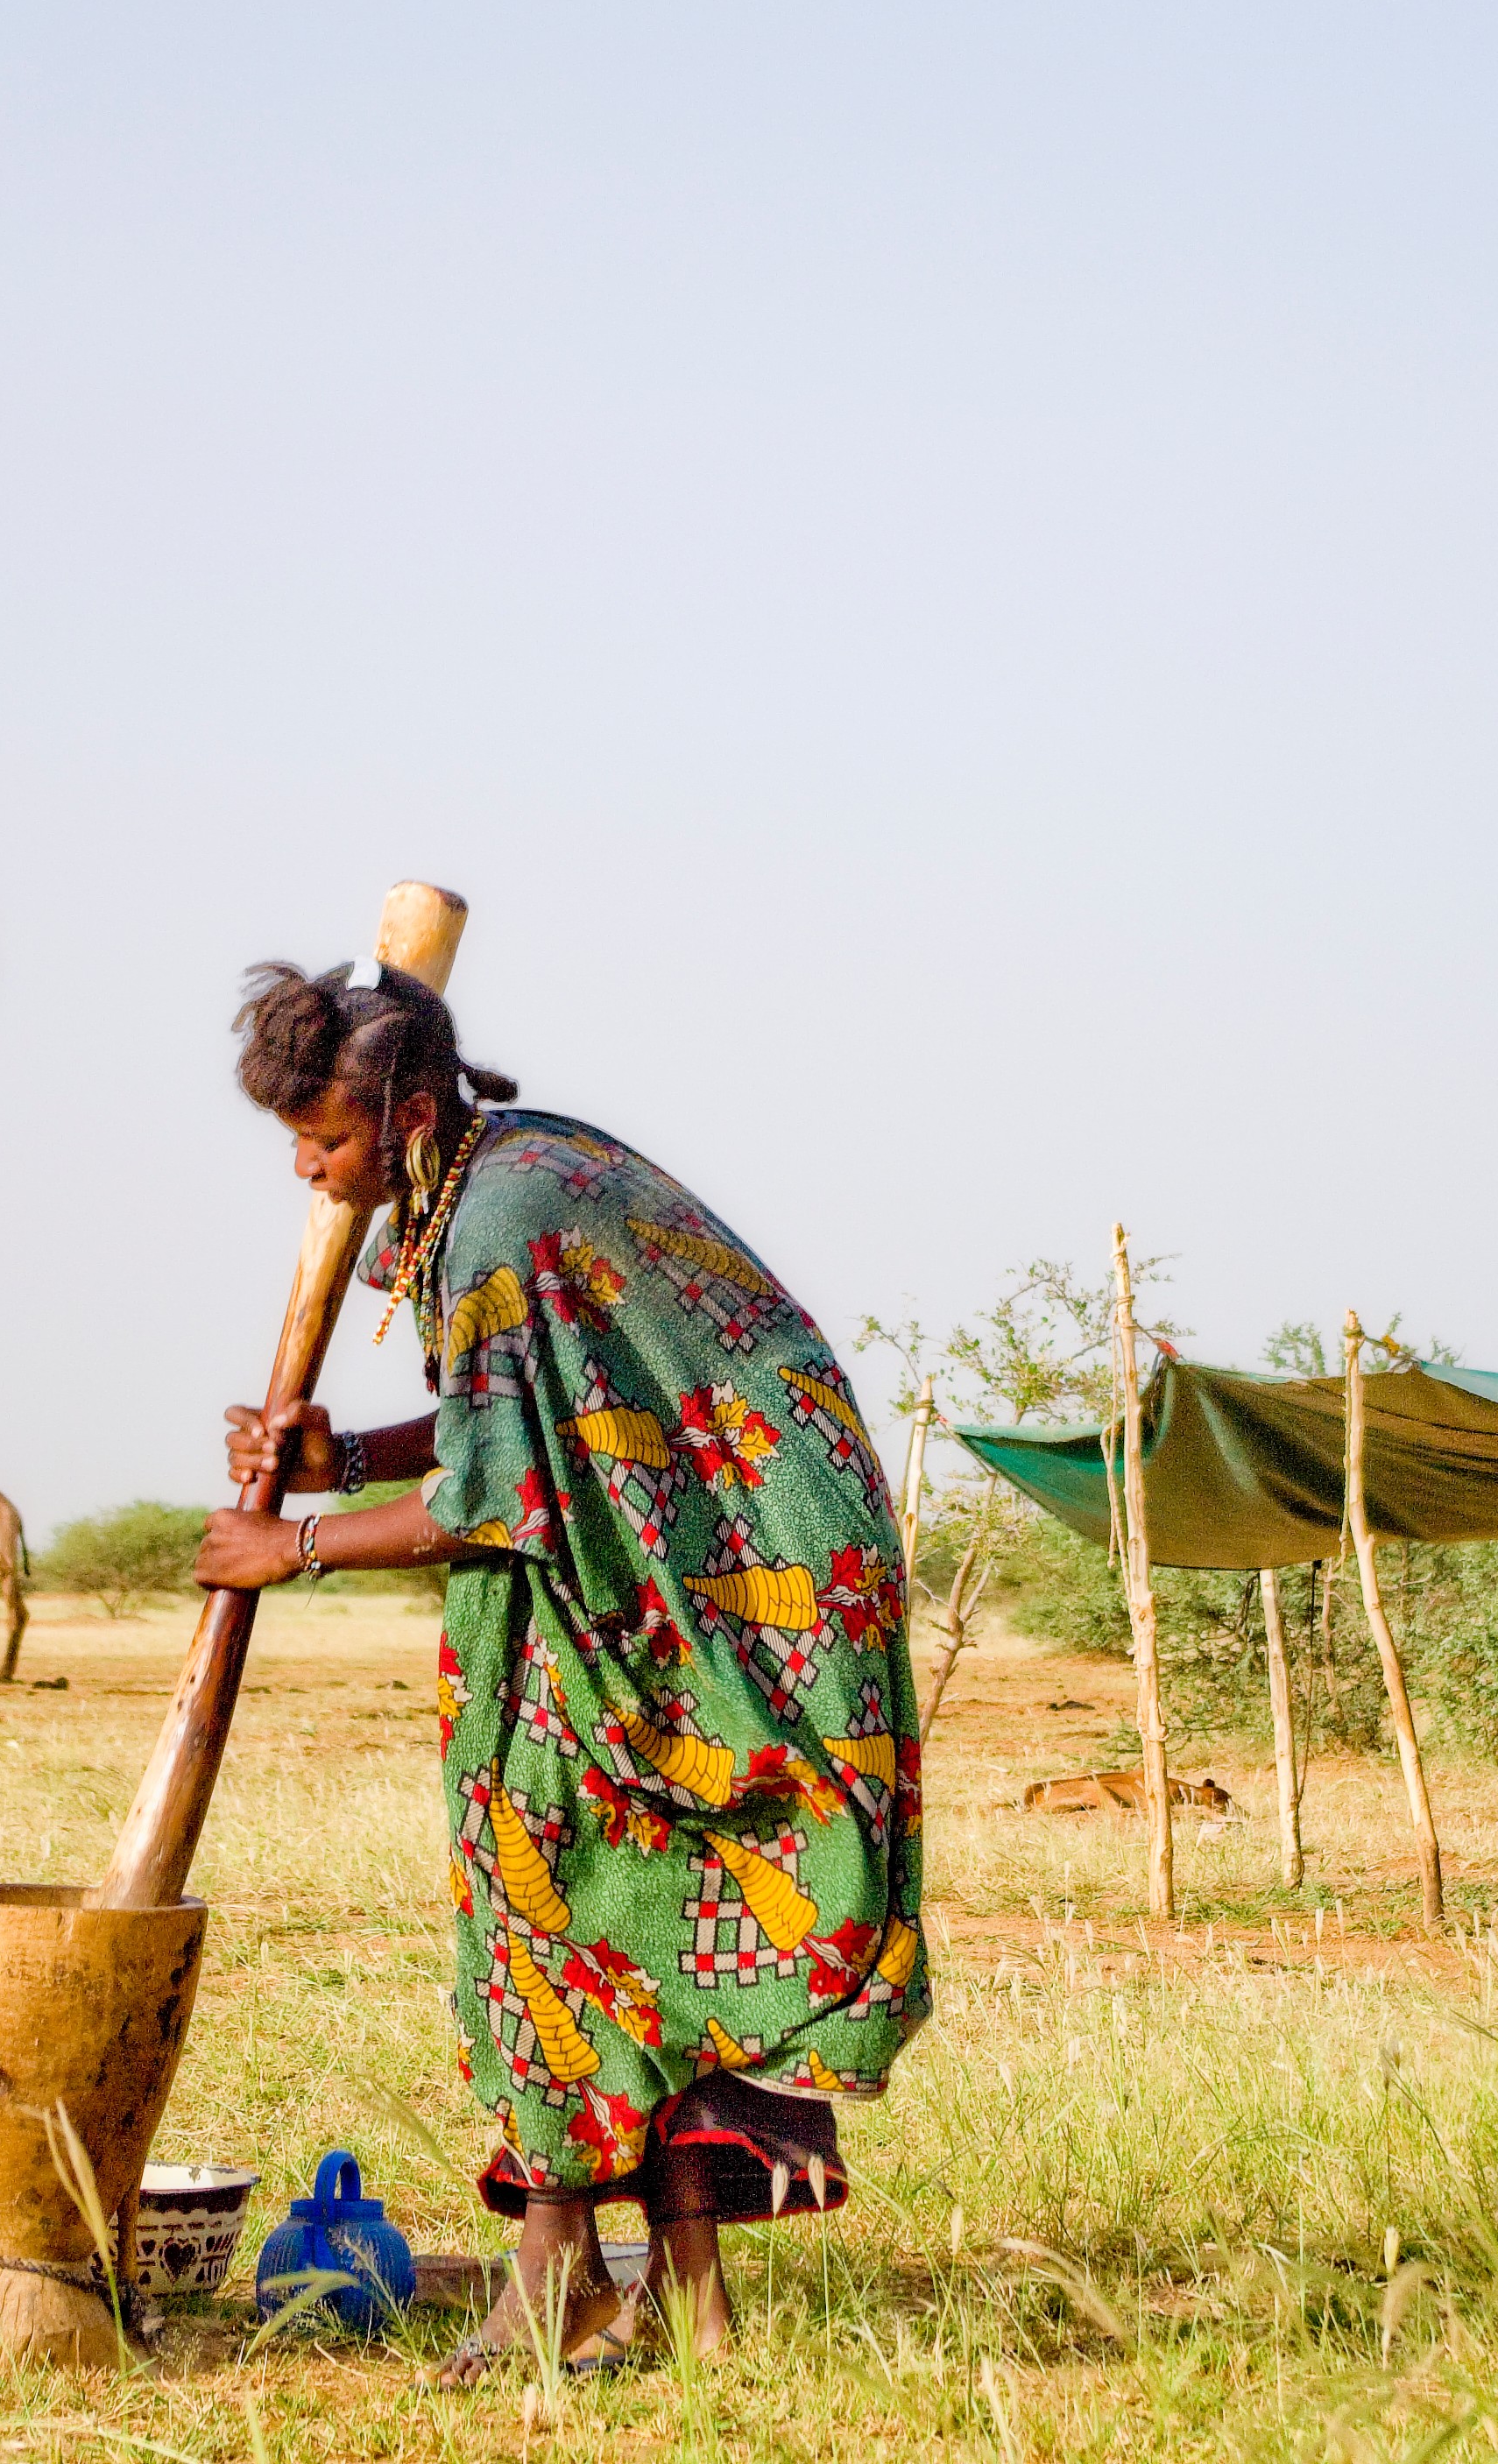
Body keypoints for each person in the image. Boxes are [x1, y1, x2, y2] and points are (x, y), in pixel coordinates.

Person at [201, 963, 932, 2378]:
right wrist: (344, 1458)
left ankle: (565, 2280)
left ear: (410, 1116)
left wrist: (291, 1544)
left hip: (716, 1582)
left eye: (328, 1140)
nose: (307, 1169)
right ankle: (671, 2299)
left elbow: (502, 1493)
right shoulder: (503, 1172)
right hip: (653, 1562)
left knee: (571, 1883)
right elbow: (534, 1413)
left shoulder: (501, 1217)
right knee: (608, 1900)